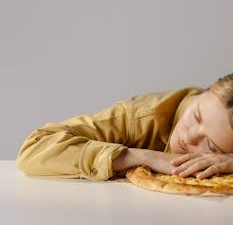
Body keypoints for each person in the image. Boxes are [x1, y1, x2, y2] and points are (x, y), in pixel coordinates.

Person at [16, 73, 233, 182]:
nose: (190, 136)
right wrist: (142, 157)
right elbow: (33, 149)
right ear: (203, 94)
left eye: (211, 146)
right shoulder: (141, 116)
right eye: (196, 116)